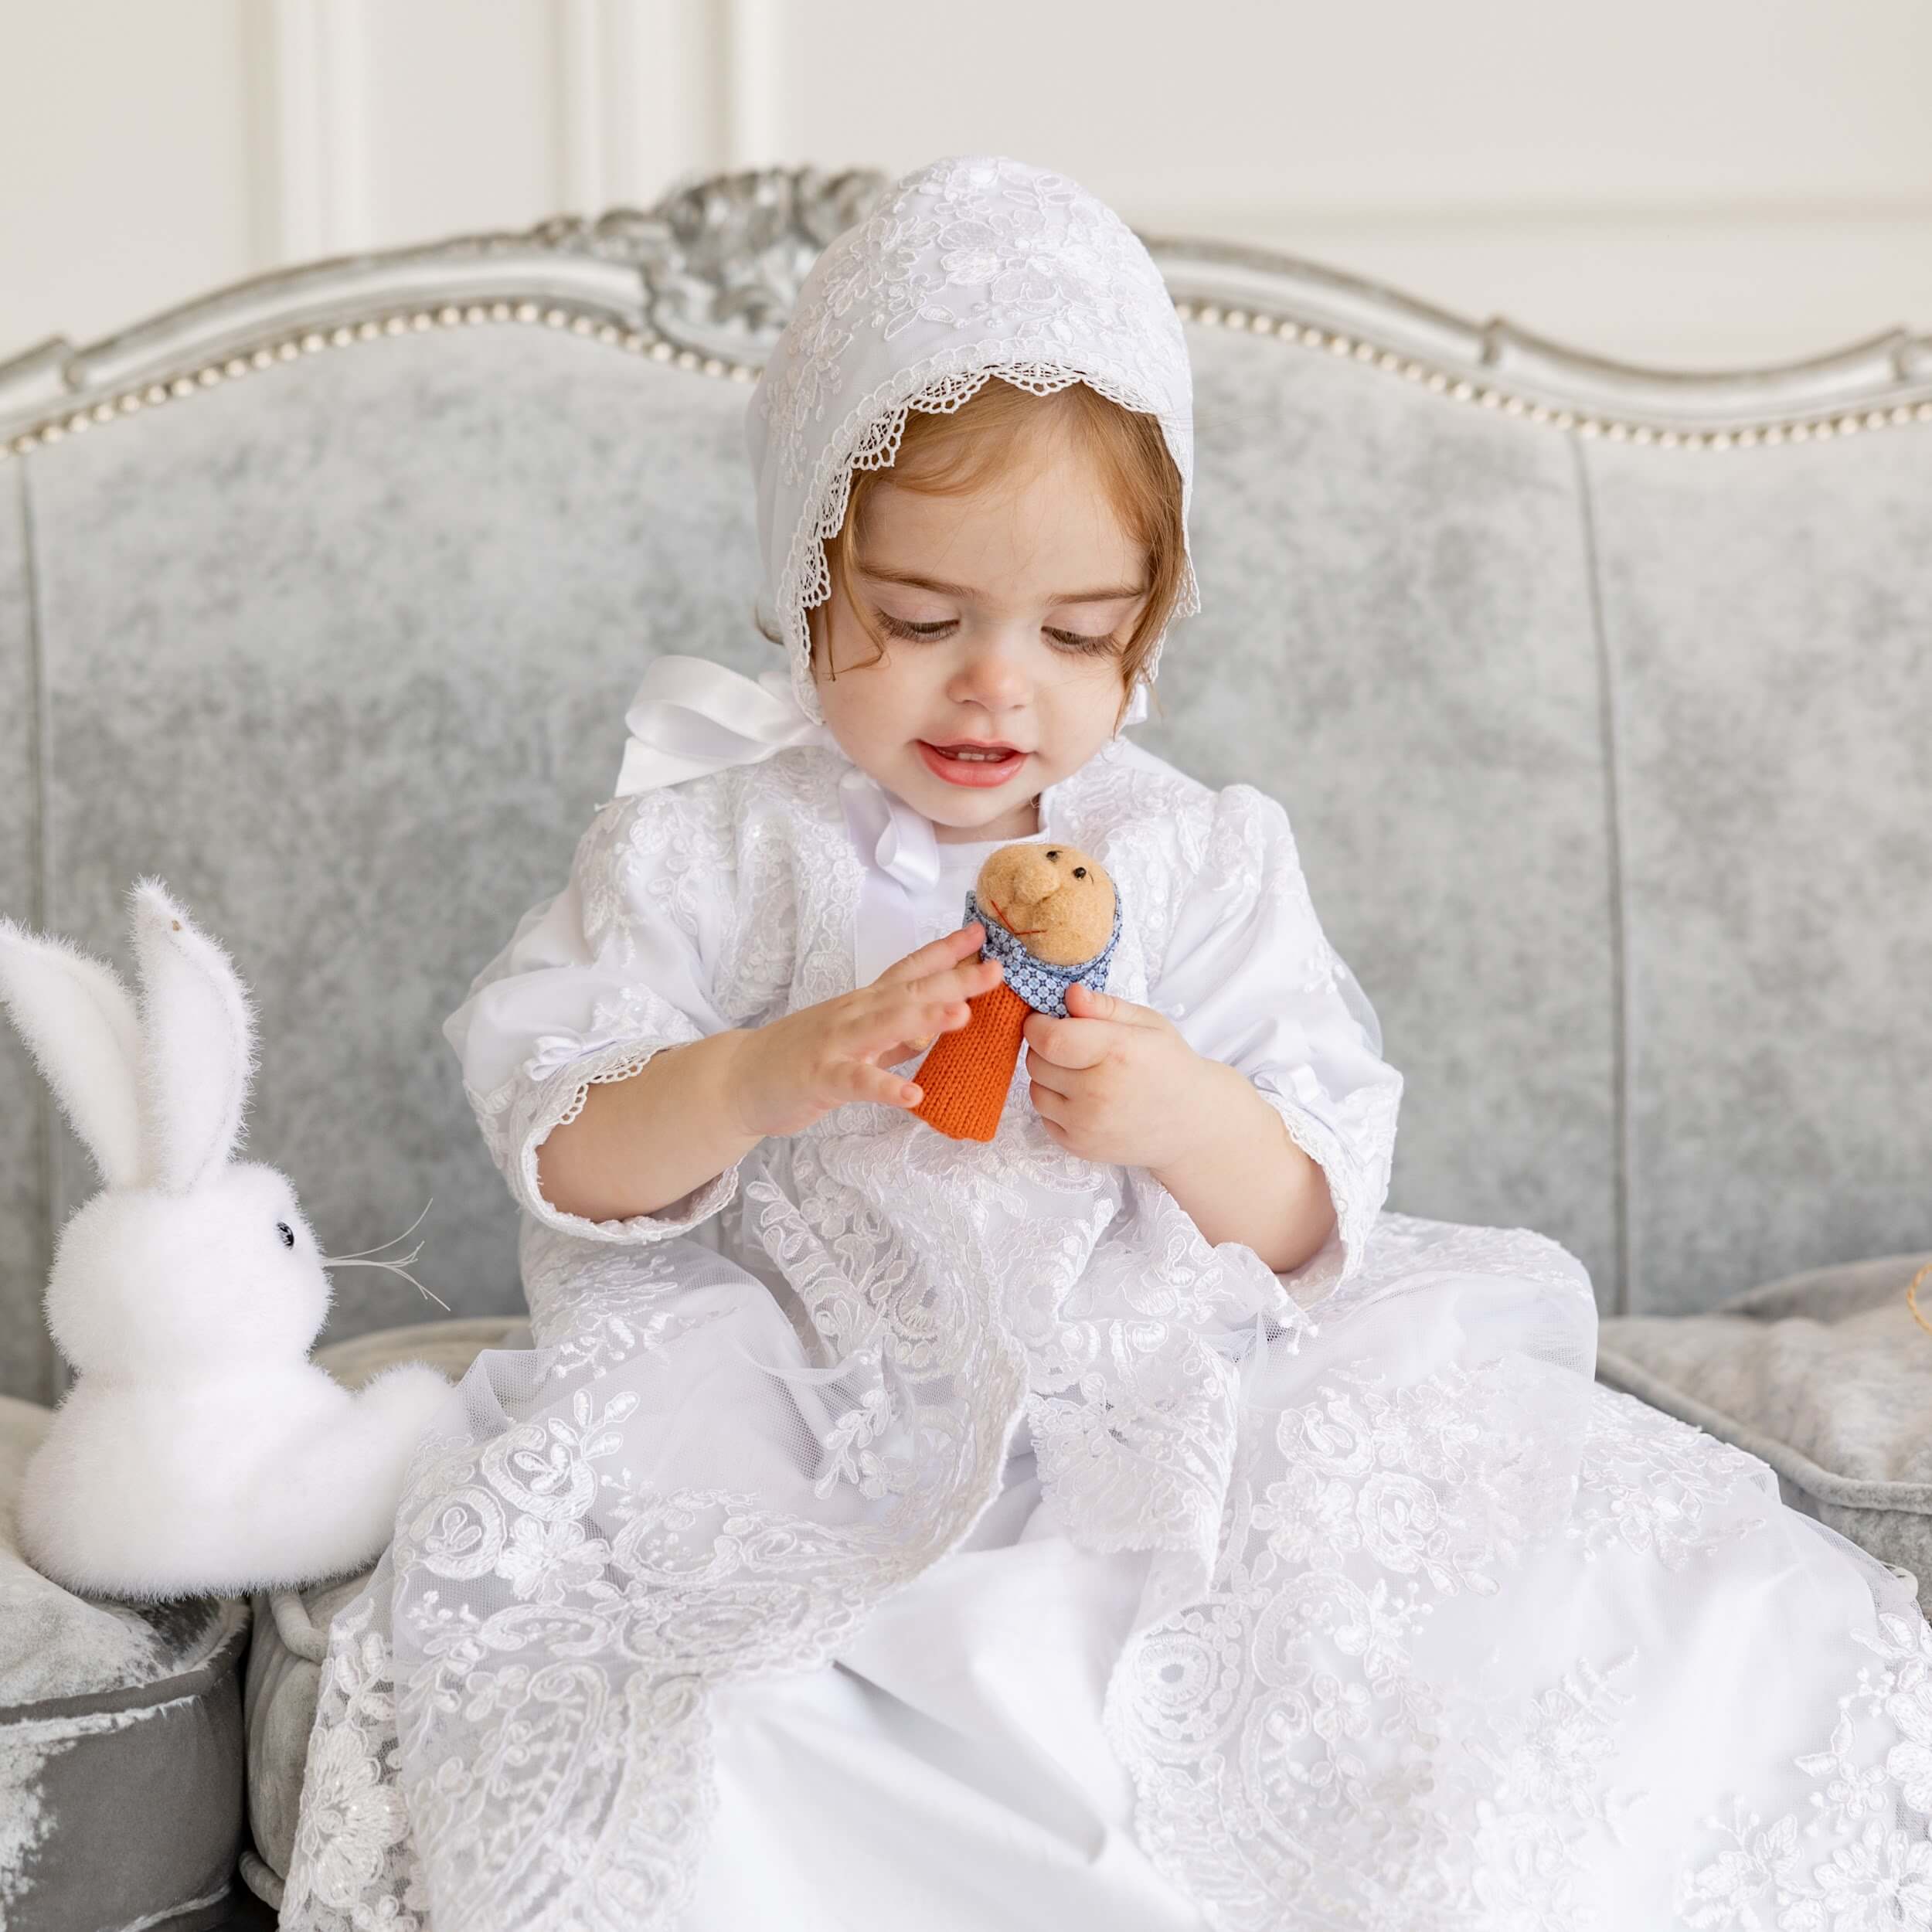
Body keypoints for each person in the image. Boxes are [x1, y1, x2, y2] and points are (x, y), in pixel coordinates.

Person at [281, 155, 1932, 1932]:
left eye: (1076, 632)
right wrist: (769, 1070)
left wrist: (1180, 1111)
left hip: (1170, 1391)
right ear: (803, 564)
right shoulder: (707, 846)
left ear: (1151, 613)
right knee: (727, 1726)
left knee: (1536, 1628)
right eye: (921, 620)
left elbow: (1312, 1205)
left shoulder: (1194, 857)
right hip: (802, 1411)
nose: (997, 685)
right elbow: (565, 1136)